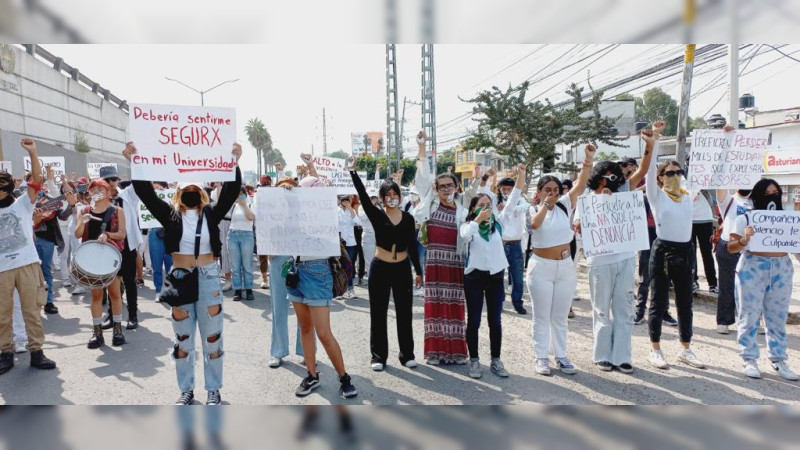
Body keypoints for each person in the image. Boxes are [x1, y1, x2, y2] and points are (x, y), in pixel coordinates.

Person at [127, 141, 242, 406]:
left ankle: (213, 389)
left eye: (195, 189)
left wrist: (234, 161)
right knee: (183, 340)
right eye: (186, 189)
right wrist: (135, 160)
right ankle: (186, 391)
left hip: (208, 277)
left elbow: (232, 190)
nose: (191, 192)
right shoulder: (170, 216)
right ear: (178, 194)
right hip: (180, 277)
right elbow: (145, 193)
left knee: (212, 338)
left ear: (201, 193)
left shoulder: (212, 214)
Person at [580, 124, 658, 374]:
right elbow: (580, 227)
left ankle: (622, 356)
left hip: (624, 259)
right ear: (599, 176)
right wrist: (598, 206)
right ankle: (602, 354)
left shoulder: (625, 191)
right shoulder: (586, 200)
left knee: (624, 308)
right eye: (608, 176)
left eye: (617, 176)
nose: (613, 181)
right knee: (601, 309)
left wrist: (649, 144)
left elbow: (644, 169)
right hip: (600, 262)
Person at [292, 153, 358, 400]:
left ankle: (344, 378)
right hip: (296, 269)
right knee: (305, 327)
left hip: (318, 269)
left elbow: (322, 192)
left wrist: (311, 170)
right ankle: (312, 375)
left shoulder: (326, 211)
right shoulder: (295, 210)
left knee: (323, 332)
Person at [349, 158, 422, 372]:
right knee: (378, 313)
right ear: (381, 199)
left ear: (400, 197)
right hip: (380, 268)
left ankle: (407, 354)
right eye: (387, 195)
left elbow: (411, 246)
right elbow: (362, 195)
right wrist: (353, 171)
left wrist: (418, 271)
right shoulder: (376, 215)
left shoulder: (409, 219)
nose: (391, 198)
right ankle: (378, 356)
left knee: (404, 313)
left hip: (401, 269)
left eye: (395, 195)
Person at [527, 144, 594, 376]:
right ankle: (541, 357)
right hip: (541, 267)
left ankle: (562, 355)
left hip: (565, 267)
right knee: (541, 316)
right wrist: (546, 204)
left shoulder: (565, 205)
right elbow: (535, 225)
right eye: (547, 189)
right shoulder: (533, 208)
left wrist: (588, 160)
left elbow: (581, 184)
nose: (553, 193)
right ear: (539, 191)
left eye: (555, 189)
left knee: (560, 316)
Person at [645, 129, 706, 370]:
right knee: (658, 301)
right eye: (670, 173)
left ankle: (685, 348)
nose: (676, 176)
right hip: (663, 251)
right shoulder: (657, 196)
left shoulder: (688, 195)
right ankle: (655, 349)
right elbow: (649, 170)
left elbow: (709, 171)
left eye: (679, 172)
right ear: (661, 178)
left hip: (685, 251)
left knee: (685, 301)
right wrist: (654, 143)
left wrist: (727, 140)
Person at [728, 179, 798, 381]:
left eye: (776, 193)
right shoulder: (745, 218)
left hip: (781, 269)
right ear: (758, 196)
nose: (773, 197)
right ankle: (748, 357)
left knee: (777, 317)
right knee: (748, 315)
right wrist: (744, 240)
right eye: (768, 194)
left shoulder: (787, 220)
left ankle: (778, 359)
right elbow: (731, 247)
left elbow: (796, 250)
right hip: (753, 267)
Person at [461, 164, 526, 379]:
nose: (486, 208)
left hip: (496, 278)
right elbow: (465, 237)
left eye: (488, 204)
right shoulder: (468, 225)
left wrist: (522, 175)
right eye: (481, 205)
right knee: (474, 321)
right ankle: (474, 361)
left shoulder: (498, 223)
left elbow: (515, 196)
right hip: (474, 279)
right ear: (473, 209)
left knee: (495, 321)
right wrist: (477, 220)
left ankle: (496, 361)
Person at [0, 138, 57, 375]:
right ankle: (5, 352)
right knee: (2, 313)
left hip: (26, 263)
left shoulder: (23, 204)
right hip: (2, 268)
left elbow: (36, 180)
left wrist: (33, 153)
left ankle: (37, 351)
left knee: (32, 310)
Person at [413, 132, 469, 365]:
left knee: (455, 306)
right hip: (434, 261)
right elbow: (423, 175)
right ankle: (435, 352)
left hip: (455, 262)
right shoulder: (430, 202)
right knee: (435, 306)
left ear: (457, 187)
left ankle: (456, 352)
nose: (446, 189)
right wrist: (422, 146)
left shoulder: (464, 208)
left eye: (450, 185)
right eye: (442, 186)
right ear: (435, 189)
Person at [74, 178, 128, 349]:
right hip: (92, 259)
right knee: (96, 296)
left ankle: (117, 330)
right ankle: (97, 333)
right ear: (89, 192)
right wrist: (83, 221)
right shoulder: (84, 210)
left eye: (101, 188)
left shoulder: (117, 210)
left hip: (111, 256)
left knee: (115, 294)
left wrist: (108, 235)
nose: (97, 191)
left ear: (108, 192)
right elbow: (77, 234)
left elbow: (122, 234)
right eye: (93, 189)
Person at [714, 124, 754, 334]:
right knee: (727, 284)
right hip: (729, 248)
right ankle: (724, 320)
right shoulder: (728, 199)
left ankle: (750, 320)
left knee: (752, 286)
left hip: (751, 249)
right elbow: (720, 177)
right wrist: (726, 143)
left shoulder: (758, 201)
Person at [478, 168, 530, 315]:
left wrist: (510, 208)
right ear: (499, 189)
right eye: (503, 188)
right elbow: (481, 190)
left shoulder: (518, 200)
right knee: (497, 277)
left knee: (517, 278)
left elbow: (526, 206)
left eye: (509, 189)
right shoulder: (494, 199)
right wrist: (486, 175)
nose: (506, 191)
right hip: (498, 244)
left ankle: (517, 303)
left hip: (515, 243)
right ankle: (498, 303)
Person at [265, 177, 304, 369]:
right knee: (279, 307)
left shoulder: (304, 211)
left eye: (289, 191)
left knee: (304, 308)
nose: (285, 193)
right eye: (281, 191)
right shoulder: (270, 213)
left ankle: (306, 350)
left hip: (302, 260)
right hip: (279, 259)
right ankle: (278, 351)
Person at [99, 167, 143, 330]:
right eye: (107, 180)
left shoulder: (126, 196)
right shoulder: (99, 199)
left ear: (117, 180)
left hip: (127, 245)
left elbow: (139, 182)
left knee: (130, 281)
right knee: (111, 281)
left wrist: (134, 160)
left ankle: (132, 315)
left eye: (113, 179)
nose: (111, 183)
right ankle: (112, 315)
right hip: (108, 246)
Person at [33, 165, 77, 315]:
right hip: (29, 241)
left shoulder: (52, 200)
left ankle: (48, 301)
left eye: (41, 182)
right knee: (28, 273)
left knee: (46, 270)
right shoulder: (24, 200)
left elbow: (63, 216)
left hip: (47, 240)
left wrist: (72, 204)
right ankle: (31, 303)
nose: (40, 186)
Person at [227, 187, 256, 301]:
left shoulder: (250, 205)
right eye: (238, 195)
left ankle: (249, 289)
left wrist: (244, 205)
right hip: (233, 235)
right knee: (235, 265)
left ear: (246, 195)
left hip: (247, 236)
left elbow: (251, 218)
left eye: (242, 194)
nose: (240, 197)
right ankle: (237, 289)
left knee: (247, 264)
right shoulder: (233, 206)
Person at [148, 181, 173, 298]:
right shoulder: (148, 199)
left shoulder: (171, 197)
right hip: (154, 231)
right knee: (156, 264)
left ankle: (169, 289)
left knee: (170, 263)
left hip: (169, 231)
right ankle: (158, 290)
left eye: (159, 187)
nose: (157, 189)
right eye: (154, 187)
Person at [691, 191, 718, 293]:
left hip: (705, 220)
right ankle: (693, 281)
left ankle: (713, 284)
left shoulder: (704, 179)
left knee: (707, 253)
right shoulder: (682, 178)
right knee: (691, 253)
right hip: (689, 219)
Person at [337, 193, 361, 299]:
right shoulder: (336, 211)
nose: (345, 202)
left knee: (349, 265)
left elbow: (358, 222)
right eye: (343, 200)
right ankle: (340, 290)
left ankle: (351, 289)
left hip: (350, 243)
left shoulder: (352, 211)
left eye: (347, 200)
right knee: (339, 266)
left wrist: (350, 208)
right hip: (339, 243)